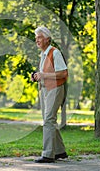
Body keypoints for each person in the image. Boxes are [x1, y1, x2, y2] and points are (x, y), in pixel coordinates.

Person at [31, 26, 68, 163]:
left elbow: (64, 73)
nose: (37, 40)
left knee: (48, 120)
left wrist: (44, 75)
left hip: (55, 89)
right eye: (36, 38)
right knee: (49, 120)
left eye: (39, 37)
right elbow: (45, 74)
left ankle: (48, 154)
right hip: (45, 90)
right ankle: (60, 151)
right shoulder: (44, 54)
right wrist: (37, 76)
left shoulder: (55, 53)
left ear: (47, 39)